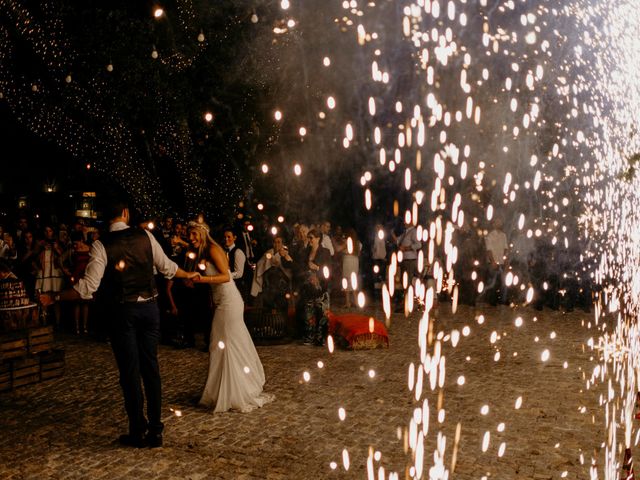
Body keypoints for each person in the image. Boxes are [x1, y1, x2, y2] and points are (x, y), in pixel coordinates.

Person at [39, 197, 199, 448]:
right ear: (125, 213)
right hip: (149, 308)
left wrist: (55, 297)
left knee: (130, 373)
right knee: (151, 368)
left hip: (123, 312)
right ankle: (156, 431)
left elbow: (88, 289)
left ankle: (138, 429)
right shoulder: (145, 236)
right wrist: (188, 273)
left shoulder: (101, 245)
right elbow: (168, 268)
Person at [187, 220, 274, 412]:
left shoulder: (213, 249)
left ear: (202, 233)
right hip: (222, 302)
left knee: (221, 343)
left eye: (194, 234)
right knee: (223, 344)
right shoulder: (203, 250)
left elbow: (226, 276)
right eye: (189, 234)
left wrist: (203, 279)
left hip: (229, 302)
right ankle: (224, 389)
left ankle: (236, 390)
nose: (191, 237)